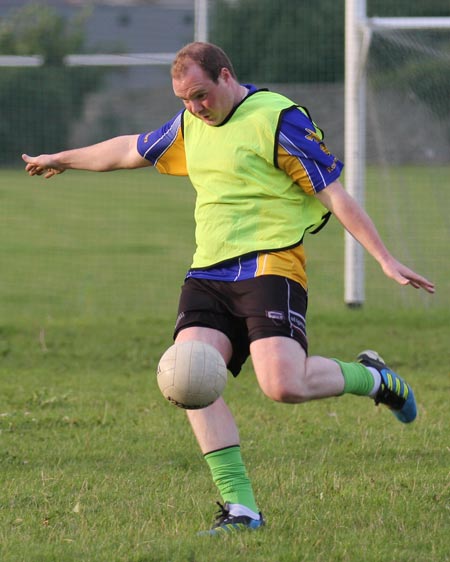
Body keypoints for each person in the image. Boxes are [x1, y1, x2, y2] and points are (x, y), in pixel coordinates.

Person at [23, 41, 435, 536]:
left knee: (283, 385)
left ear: (225, 75)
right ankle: (241, 509)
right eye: (184, 100)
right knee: (189, 377)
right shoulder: (189, 124)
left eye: (200, 95)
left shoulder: (277, 118)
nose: (194, 108)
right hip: (208, 274)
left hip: (271, 264)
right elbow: (128, 148)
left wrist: (385, 259)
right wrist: (63, 158)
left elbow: (333, 191)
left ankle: (374, 378)